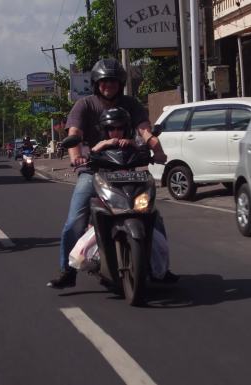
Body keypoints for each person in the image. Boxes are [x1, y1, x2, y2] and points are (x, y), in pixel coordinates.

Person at [47, 58, 176, 289]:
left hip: (129, 170)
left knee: (153, 215)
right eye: (104, 81)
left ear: (121, 83)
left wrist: (157, 150)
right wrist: (76, 156)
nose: (109, 86)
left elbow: (145, 130)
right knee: (75, 219)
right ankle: (67, 270)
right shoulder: (85, 105)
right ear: (96, 83)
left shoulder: (131, 103)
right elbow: (74, 132)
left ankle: (160, 267)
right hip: (94, 170)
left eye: (114, 82)